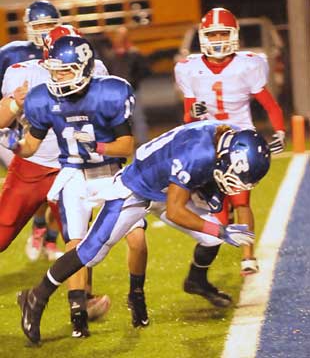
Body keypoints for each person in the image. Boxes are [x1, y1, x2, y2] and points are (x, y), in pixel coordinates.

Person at [13, 120, 271, 344]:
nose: (236, 182)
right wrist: (222, 229)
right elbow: (175, 211)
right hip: (136, 188)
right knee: (91, 253)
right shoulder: (199, 153)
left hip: (169, 183)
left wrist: (216, 219)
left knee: (210, 236)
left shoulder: (229, 138)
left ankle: (196, 280)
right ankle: (35, 297)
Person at [1, 34, 149, 336]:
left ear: (84, 67)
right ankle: (78, 312)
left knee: (137, 241)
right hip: (74, 175)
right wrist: (15, 146)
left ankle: (136, 294)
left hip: (110, 173)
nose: (58, 77)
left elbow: (126, 146)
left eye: (65, 70)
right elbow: (31, 145)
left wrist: (99, 145)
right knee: (77, 246)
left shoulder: (110, 92)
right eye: (55, 70)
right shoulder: (44, 98)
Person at [174, 8, 285, 285]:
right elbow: (188, 117)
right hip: (208, 141)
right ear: (204, 37)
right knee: (217, 208)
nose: (219, 38)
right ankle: (205, 265)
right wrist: (195, 112)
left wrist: (280, 130)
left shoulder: (248, 64)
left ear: (234, 35)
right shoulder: (190, 67)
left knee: (241, 198)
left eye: (223, 33)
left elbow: (269, 103)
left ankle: (248, 256)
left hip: (240, 139)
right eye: (213, 34)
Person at [0, 0, 63, 260]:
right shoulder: (13, 58)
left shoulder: (67, 50)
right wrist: (13, 104)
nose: (45, 30)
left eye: (50, 24)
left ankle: (80, 295)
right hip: (19, 137)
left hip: (64, 149)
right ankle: (39, 227)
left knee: (76, 230)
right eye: (40, 25)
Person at [99, 26, 150, 146]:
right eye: (118, 36)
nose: (120, 39)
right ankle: (120, 145)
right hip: (115, 93)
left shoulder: (134, 54)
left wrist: (134, 80)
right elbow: (107, 71)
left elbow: (145, 71)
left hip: (132, 91)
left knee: (138, 118)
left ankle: (143, 144)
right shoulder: (111, 55)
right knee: (117, 120)